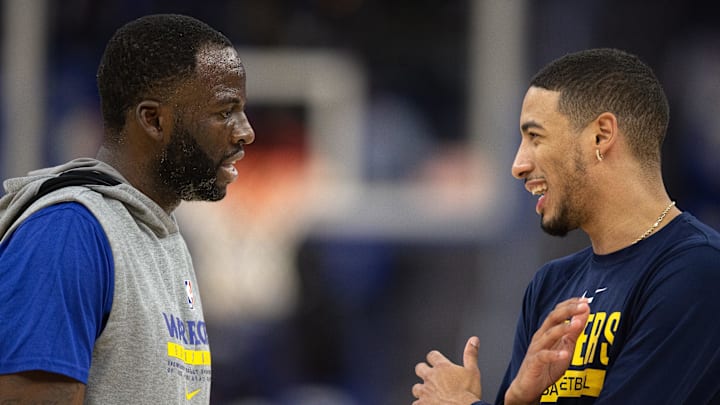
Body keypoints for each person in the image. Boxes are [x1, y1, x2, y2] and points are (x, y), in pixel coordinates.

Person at [412, 48, 720, 404]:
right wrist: (513, 401)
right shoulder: (550, 284)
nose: (518, 164)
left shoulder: (698, 271)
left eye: (535, 137)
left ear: (600, 136)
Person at [0, 14, 254, 403]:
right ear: (153, 120)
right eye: (225, 112)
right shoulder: (68, 234)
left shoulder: (157, 231)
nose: (245, 131)